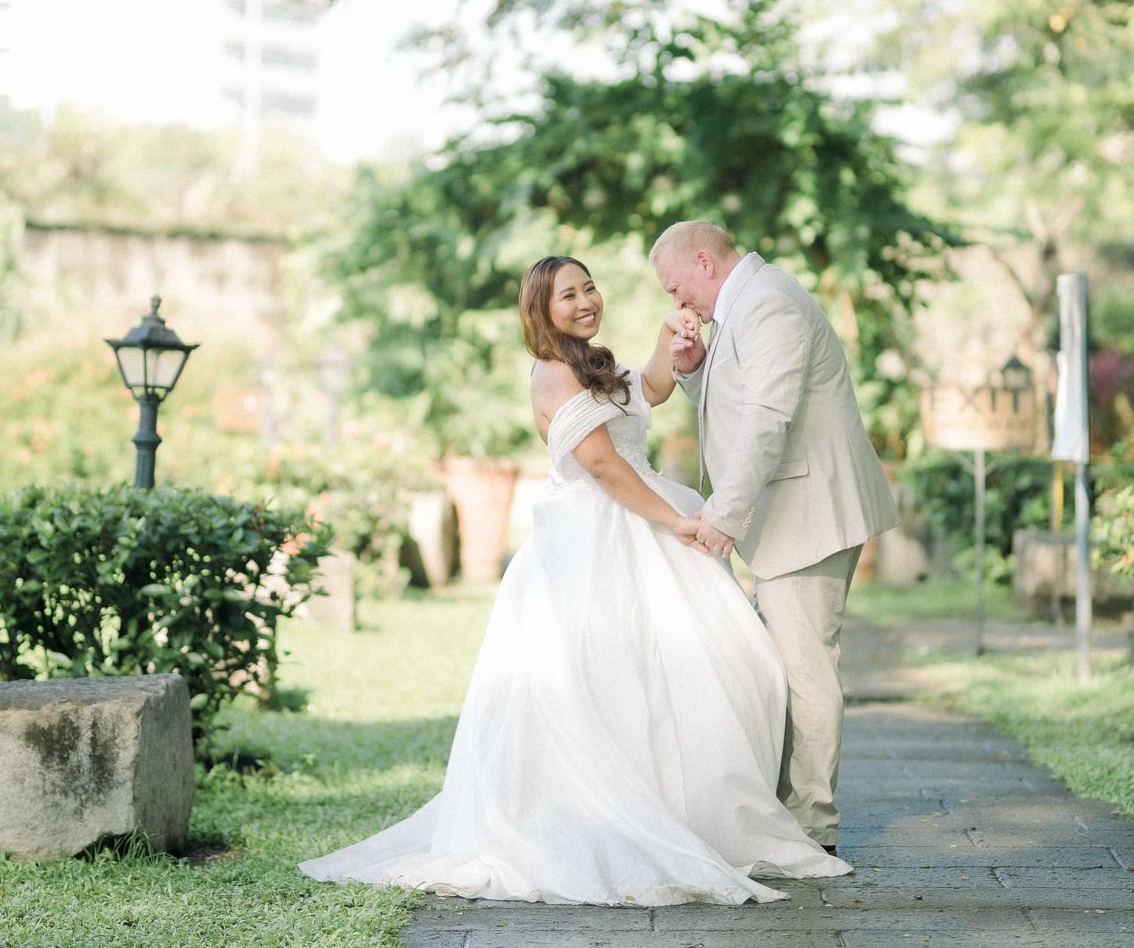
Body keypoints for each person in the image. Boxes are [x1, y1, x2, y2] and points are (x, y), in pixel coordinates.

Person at [298, 255, 848, 904]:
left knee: (706, 671)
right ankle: (624, 817)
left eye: (589, 288)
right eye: (569, 295)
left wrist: (669, 343)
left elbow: (649, 391)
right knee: (622, 678)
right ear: (541, 309)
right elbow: (603, 465)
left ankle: (688, 809)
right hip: (601, 533)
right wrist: (675, 520)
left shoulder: (590, 361)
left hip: (641, 519)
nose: (586, 300)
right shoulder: (554, 372)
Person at [649, 220, 900, 853]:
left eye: (676, 287)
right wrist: (694, 372)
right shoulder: (745, 306)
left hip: (811, 516)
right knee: (780, 669)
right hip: (791, 516)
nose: (677, 302)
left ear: (704, 263)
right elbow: (743, 404)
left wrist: (723, 515)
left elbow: (768, 419)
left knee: (805, 671)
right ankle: (788, 813)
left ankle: (813, 828)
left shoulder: (769, 302)